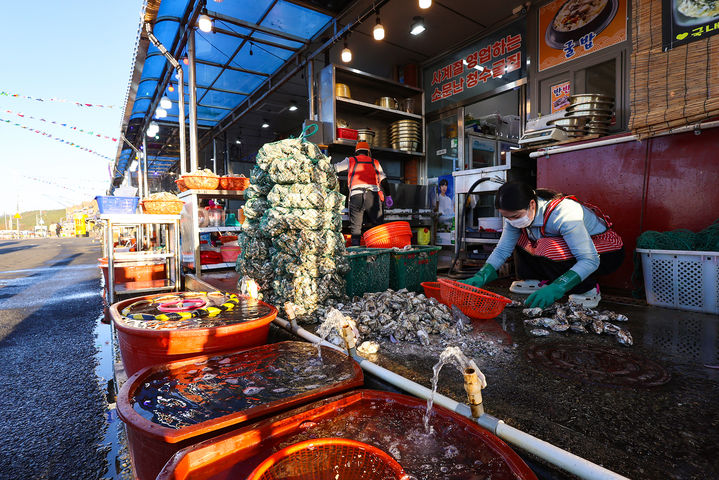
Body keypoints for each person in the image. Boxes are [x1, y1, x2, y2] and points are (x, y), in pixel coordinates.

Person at [462, 182, 624, 308]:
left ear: (532, 204)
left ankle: (587, 288)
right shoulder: (515, 218)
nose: (511, 221)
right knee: (522, 239)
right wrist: (482, 275)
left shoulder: (564, 213)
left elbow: (589, 259)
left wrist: (558, 288)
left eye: (515, 216)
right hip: (569, 250)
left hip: (607, 250)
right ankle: (537, 280)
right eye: (507, 218)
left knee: (548, 246)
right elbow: (503, 249)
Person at [334, 141, 393, 246]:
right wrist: (388, 195)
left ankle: (356, 254)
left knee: (356, 228)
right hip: (373, 197)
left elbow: (335, 168)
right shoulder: (375, 162)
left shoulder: (350, 160)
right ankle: (377, 252)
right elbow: (384, 180)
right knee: (377, 227)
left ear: (356, 152)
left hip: (356, 196)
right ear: (368, 152)